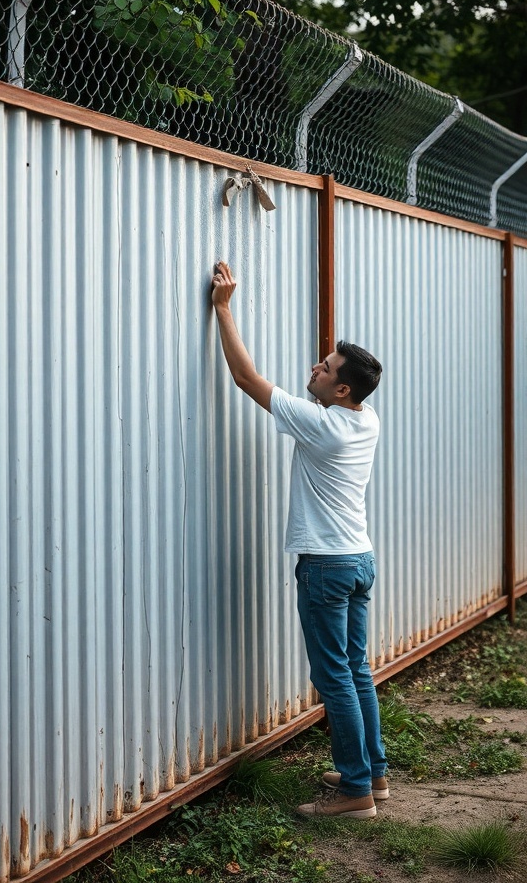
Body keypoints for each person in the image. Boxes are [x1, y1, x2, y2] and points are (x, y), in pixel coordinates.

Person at [211, 260, 387, 819]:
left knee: (334, 674)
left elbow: (245, 378)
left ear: (340, 388)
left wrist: (223, 308)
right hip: (358, 558)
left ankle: (355, 792)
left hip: (328, 566)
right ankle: (372, 774)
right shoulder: (364, 418)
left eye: (326, 366)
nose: (315, 365)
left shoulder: (322, 424)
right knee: (355, 668)